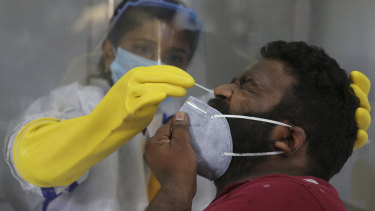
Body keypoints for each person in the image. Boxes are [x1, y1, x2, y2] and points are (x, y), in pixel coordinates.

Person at [3, 0, 216, 211]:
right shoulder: (76, 103)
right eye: (143, 48)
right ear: (109, 51)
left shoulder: (188, 122)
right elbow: (34, 165)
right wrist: (110, 120)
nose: (159, 64)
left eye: (174, 57)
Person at [144, 41, 372, 210]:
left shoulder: (280, 198)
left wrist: (176, 185)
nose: (220, 90)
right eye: (234, 81)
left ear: (288, 139)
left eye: (247, 86)